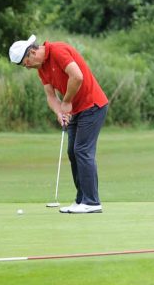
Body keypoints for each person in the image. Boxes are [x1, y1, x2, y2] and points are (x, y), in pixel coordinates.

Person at [9, 34, 109, 213]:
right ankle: (81, 200)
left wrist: (66, 102)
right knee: (73, 151)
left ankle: (92, 202)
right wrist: (59, 111)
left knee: (82, 150)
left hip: (93, 105)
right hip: (76, 109)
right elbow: (50, 96)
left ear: (32, 52)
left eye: (25, 63)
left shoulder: (58, 50)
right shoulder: (42, 68)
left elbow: (77, 76)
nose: (27, 67)